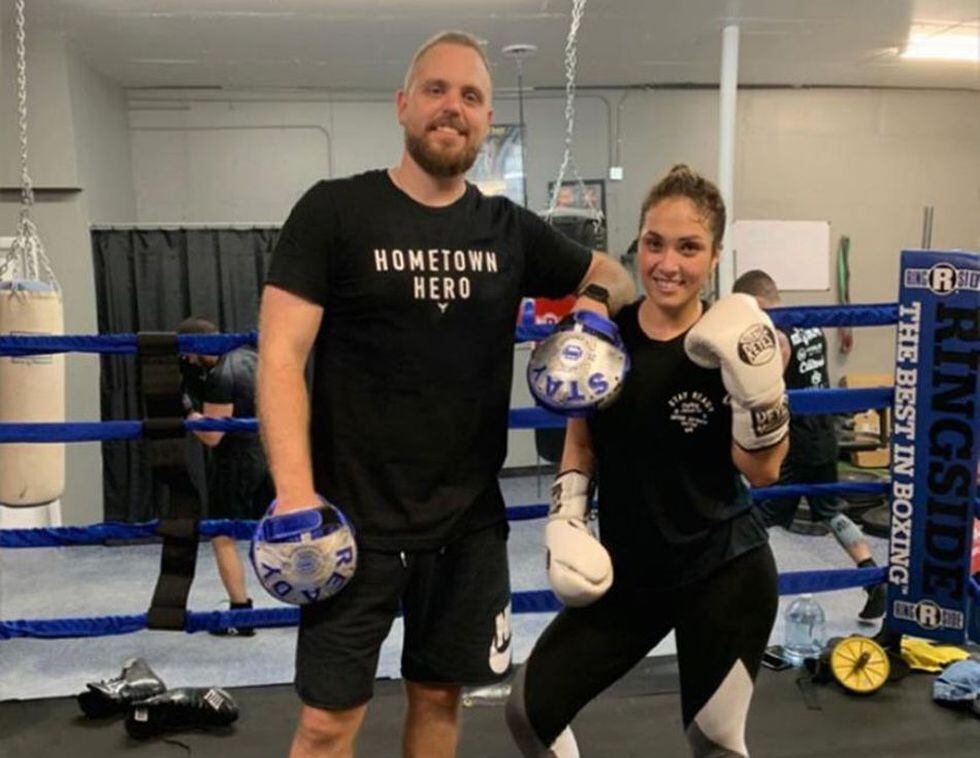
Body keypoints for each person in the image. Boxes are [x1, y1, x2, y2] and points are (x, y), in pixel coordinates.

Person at [257, 30, 635, 758]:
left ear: (488, 119)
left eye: (471, 96)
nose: (452, 107)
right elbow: (280, 356)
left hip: (466, 525)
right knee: (326, 723)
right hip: (351, 521)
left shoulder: (507, 229)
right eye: (436, 90)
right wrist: (295, 493)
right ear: (403, 104)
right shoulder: (335, 211)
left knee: (439, 700)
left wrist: (589, 307)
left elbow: (613, 275)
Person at [506, 165, 788, 758]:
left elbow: (762, 472)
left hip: (724, 570)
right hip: (632, 573)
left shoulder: (733, 342)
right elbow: (582, 441)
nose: (667, 264)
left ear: (714, 256)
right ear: (638, 243)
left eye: (689, 248)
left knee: (714, 743)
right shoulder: (607, 337)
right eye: (655, 244)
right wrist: (567, 515)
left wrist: (761, 392)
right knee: (530, 712)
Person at [731, 269, 887, 622]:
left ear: (755, 302)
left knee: (754, 515)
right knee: (830, 511)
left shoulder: (775, 335)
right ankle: (872, 578)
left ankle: (745, 592)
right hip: (823, 434)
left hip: (793, 441)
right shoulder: (810, 325)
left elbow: (767, 388)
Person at [177, 316, 274, 636]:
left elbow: (212, 436)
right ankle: (318, 603)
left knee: (222, 536)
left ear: (195, 347)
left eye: (187, 352)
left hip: (235, 462)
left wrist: (189, 412)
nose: (186, 359)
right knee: (282, 531)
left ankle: (241, 613)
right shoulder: (249, 355)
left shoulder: (220, 376)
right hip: (268, 455)